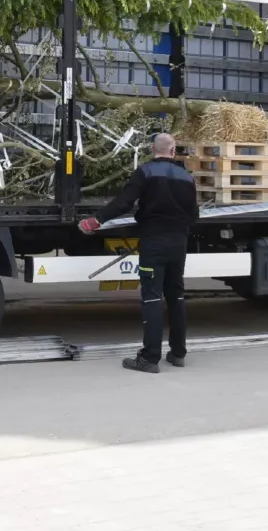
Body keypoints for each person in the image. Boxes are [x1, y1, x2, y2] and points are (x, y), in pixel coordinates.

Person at [77, 133, 200, 374]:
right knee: (176, 296)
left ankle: (149, 358)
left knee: (152, 297)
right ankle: (178, 353)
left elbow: (124, 202)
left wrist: (97, 220)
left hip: (154, 243)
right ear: (174, 151)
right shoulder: (188, 178)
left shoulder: (145, 172)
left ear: (153, 149)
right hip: (179, 244)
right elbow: (194, 215)